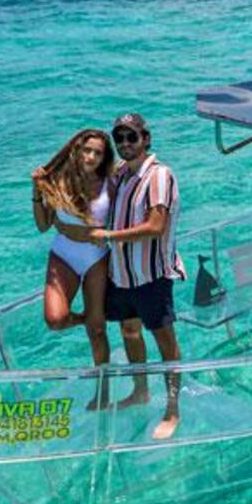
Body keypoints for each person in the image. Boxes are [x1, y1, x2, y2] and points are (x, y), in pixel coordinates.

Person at [69, 113, 186, 441]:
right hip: (122, 275)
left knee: (166, 343)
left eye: (131, 137)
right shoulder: (123, 175)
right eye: (119, 138)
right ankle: (140, 391)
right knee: (129, 331)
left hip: (150, 275)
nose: (124, 144)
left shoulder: (159, 176)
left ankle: (172, 409)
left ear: (146, 138)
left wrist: (107, 236)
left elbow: (155, 226)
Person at [31, 129, 115, 385]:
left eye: (98, 153)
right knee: (55, 320)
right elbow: (43, 225)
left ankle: (103, 390)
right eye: (86, 150)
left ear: (104, 157)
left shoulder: (111, 182)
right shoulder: (57, 180)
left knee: (97, 331)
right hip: (63, 254)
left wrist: (111, 234)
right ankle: (86, 318)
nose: (91, 157)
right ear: (76, 151)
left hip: (96, 257)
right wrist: (36, 192)